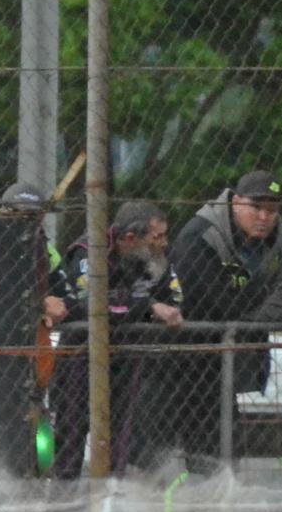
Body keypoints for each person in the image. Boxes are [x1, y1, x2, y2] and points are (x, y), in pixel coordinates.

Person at [166, 169, 282, 473]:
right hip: (190, 355)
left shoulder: (279, 236)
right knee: (190, 438)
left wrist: (249, 324)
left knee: (226, 438)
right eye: (257, 207)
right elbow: (207, 304)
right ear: (236, 202)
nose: (265, 216)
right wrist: (249, 312)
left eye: (272, 209)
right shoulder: (200, 235)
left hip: (232, 348)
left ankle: (219, 491)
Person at [48, 201, 185, 477]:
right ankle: (65, 496)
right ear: (131, 239)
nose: (164, 243)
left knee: (122, 429)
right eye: (157, 237)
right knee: (72, 427)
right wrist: (147, 307)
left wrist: (144, 307)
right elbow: (93, 305)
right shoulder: (89, 251)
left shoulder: (153, 259)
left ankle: (113, 493)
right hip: (80, 354)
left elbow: (175, 301)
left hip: (127, 353)